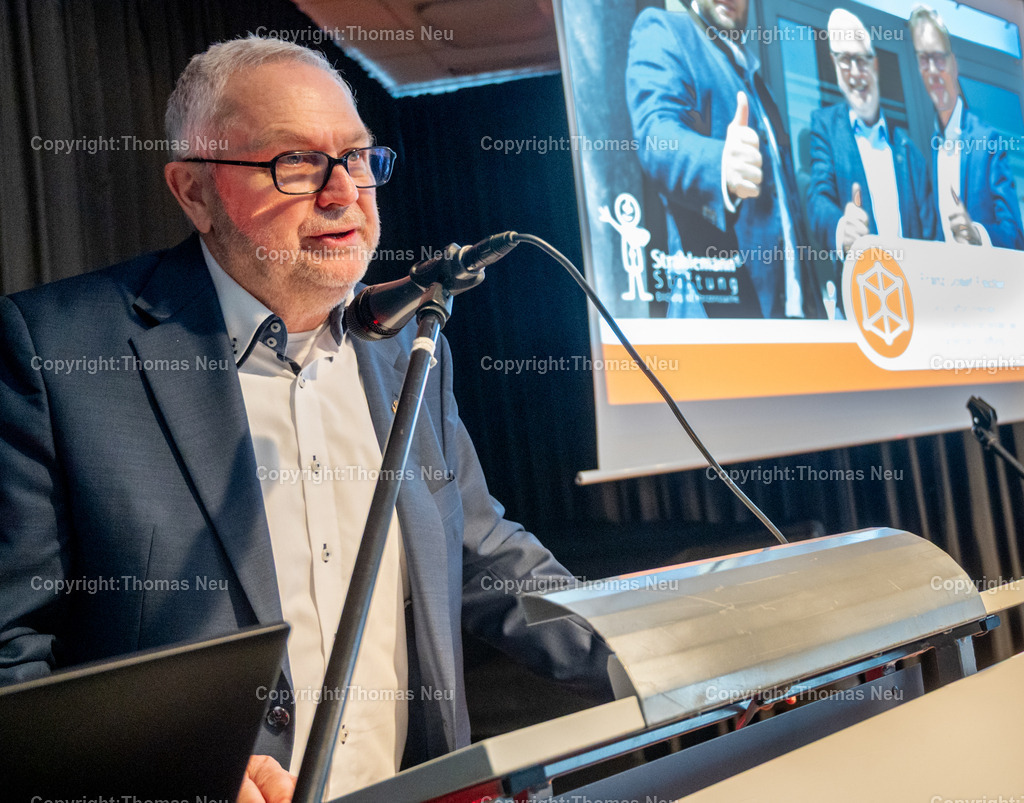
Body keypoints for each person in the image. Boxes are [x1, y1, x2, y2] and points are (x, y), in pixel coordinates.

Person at [0, 37, 612, 802]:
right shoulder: (59, 351)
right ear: (194, 191)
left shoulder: (407, 347)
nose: (342, 194)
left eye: (356, 159)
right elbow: (12, 654)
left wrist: (656, 652)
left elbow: (483, 555)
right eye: (294, 163)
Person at [625, 0, 823, 320]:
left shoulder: (759, 84)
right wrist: (721, 166)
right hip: (720, 322)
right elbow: (655, 135)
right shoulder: (666, 30)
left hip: (790, 322)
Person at [807, 9, 939, 261]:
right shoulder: (825, 128)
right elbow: (818, 197)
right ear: (835, 65)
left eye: (862, 60)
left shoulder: (909, 152)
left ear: (875, 65)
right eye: (845, 60)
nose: (856, 72)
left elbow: (931, 237)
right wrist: (840, 228)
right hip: (860, 290)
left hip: (911, 291)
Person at [909, 4, 1024, 250]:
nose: (932, 71)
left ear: (953, 64)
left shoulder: (987, 141)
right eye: (924, 60)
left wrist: (977, 234)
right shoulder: (924, 150)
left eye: (938, 58)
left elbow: (1015, 234)